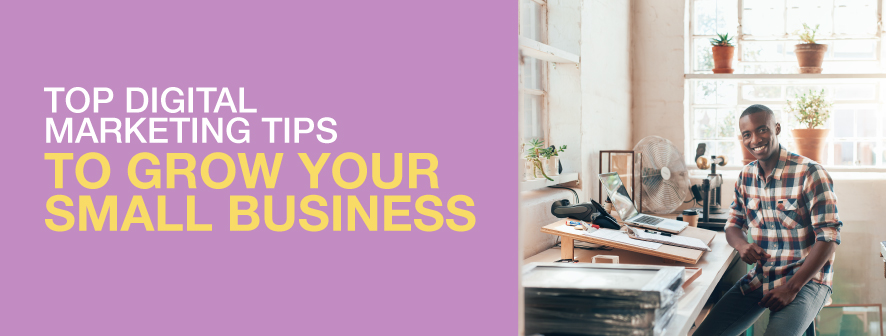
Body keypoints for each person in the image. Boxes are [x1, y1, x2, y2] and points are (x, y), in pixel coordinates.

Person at [693, 104, 842, 336]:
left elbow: (829, 237)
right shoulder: (746, 176)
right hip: (762, 276)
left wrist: (791, 288)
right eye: (747, 134)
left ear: (777, 128)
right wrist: (742, 245)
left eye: (762, 130)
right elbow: (733, 224)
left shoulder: (810, 172)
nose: (755, 139)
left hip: (807, 280)